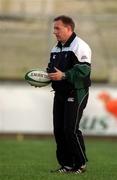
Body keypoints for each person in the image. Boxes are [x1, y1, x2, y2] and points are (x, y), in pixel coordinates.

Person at [47, 15, 91, 174]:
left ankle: (80, 164)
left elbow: (84, 70)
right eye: (54, 28)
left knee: (70, 129)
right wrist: (45, 77)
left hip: (76, 92)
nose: (55, 32)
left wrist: (64, 76)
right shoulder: (55, 48)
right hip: (59, 93)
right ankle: (66, 165)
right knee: (58, 130)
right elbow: (52, 69)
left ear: (68, 28)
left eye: (57, 28)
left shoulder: (80, 46)